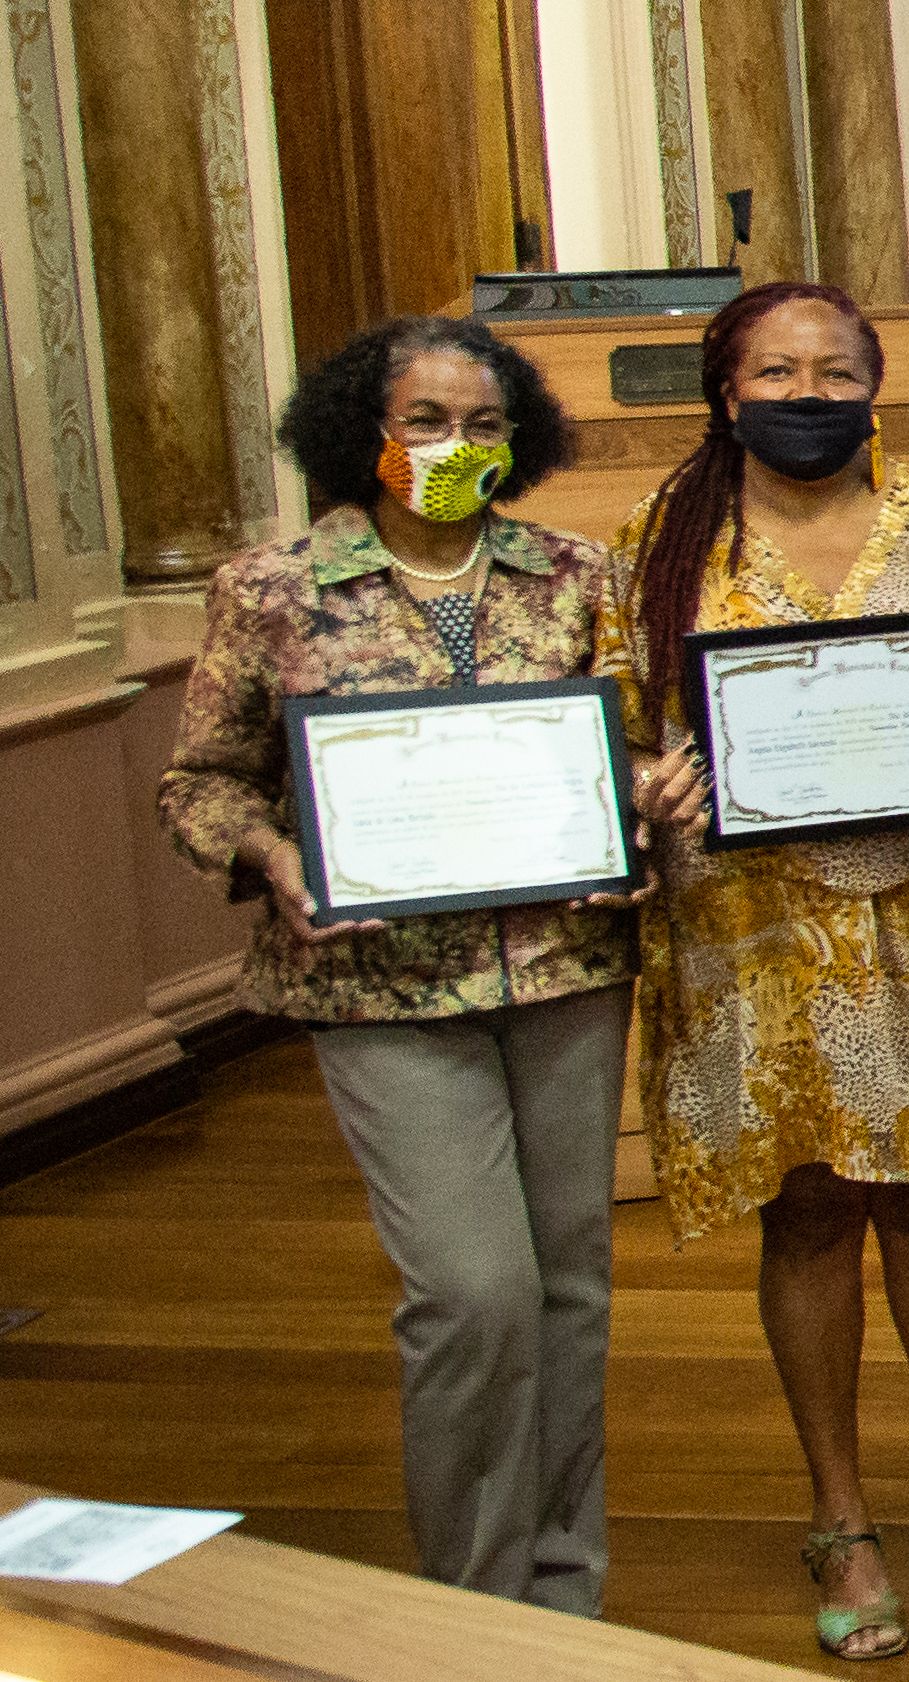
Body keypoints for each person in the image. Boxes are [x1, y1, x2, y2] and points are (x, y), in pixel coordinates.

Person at [601, 284, 909, 1657]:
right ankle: (839, 1510)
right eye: (776, 370)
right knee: (804, 1216)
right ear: (725, 388)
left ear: (875, 384)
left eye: (834, 369)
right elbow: (622, 735)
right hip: (753, 930)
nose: (807, 393)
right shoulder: (659, 543)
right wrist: (654, 781)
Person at [164, 317, 635, 1612]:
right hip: (381, 991)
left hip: (563, 968)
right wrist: (267, 853)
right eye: (426, 421)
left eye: (484, 424)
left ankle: (565, 1593)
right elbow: (200, 782)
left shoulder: (573, 574)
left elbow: (623, 751)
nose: (455, 447)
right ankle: (470, 1610)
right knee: (472, 1293)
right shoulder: (273, 590)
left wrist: (646, 793)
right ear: (361, 433)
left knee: (569, 1292)